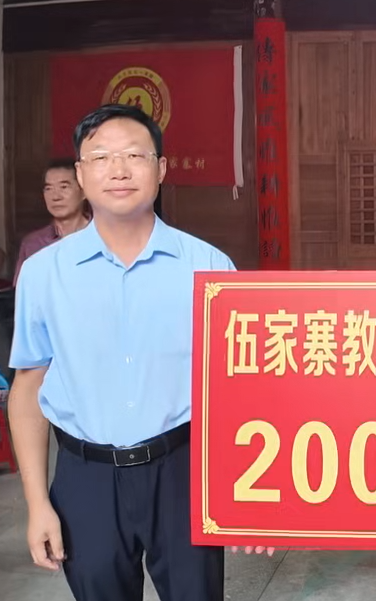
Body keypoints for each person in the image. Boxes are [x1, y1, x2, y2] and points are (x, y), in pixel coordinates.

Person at [7, 104, 270, 601]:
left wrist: (247, 497)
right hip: (85, 477)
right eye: (101, 157)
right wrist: (38, 504)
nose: (119, 169)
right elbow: (28, 388)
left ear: (161, 168)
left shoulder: (209, 266)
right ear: (81, 174)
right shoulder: (43, 273)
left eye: (134, 155)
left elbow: (241, 387)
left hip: (183, 470)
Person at [13, 158, 91, 286]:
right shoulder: (33, 244)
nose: (55, 197)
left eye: (64, 187)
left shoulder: (103, 237)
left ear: (84, 192)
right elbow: (22, 292)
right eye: (48, 188)